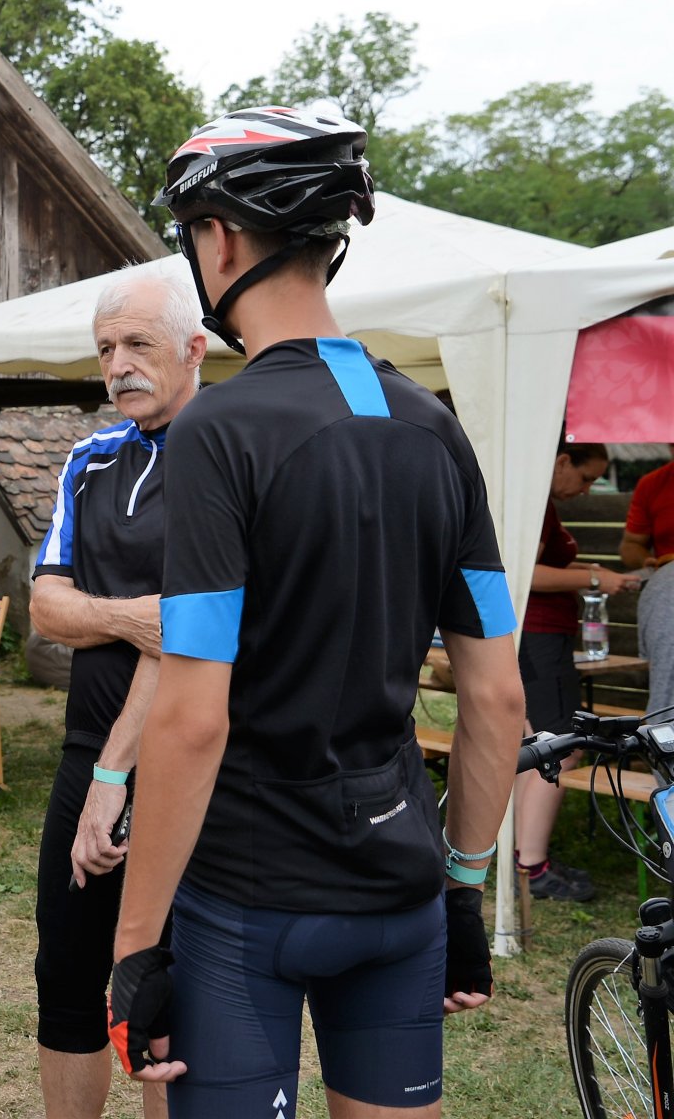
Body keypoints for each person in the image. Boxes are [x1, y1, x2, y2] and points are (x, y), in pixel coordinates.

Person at [107, 108, 528, 1116]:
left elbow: (194, 714)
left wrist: (134, 948)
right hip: (401, 894)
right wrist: (464, 886)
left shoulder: (221, 427)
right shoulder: (436, 429)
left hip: (246, 899)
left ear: (219, 238)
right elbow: (499, 695)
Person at [28, 269, 205, 1119]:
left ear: (193, 349)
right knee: (64, 973)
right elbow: (44, 606)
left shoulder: (226, 451)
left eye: (138, 344)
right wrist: (129, 615)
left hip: (195, 762)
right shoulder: (90, 457)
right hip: (82, 752)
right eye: (106, 349)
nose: (119, 364)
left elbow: (190, 639)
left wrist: (117, 774)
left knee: (166, 995)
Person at [514, 439, 639, 900]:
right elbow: (524, 573)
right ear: (562, 461)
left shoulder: (539, 502)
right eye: (586, 477)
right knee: (563, 749)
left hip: (534, 638)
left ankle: (526, 860)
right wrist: (593, 578)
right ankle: (533, 866)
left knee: (536, 749)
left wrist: (586, 568)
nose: (587, 489)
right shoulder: (535, 503)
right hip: (539, 638)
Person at [623, 454, 674, 718]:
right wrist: (648, 561)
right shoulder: (653, 484)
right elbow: (630, 546)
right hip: (667, 590)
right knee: (665, 688)